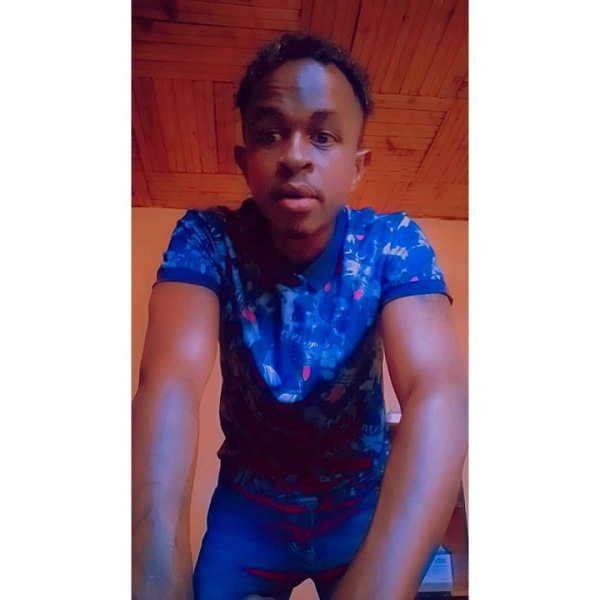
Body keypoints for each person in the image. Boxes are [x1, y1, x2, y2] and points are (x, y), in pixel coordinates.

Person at [132, 33, 468, 600]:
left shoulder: (392, 243)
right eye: (269, 134)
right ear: (245, 162)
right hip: (247, 511)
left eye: (323, 135)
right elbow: (169, 386)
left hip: (359, 501)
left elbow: (440, 390)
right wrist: (152, 580)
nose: (294, 154)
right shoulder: (207, 240)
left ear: (357, 167)